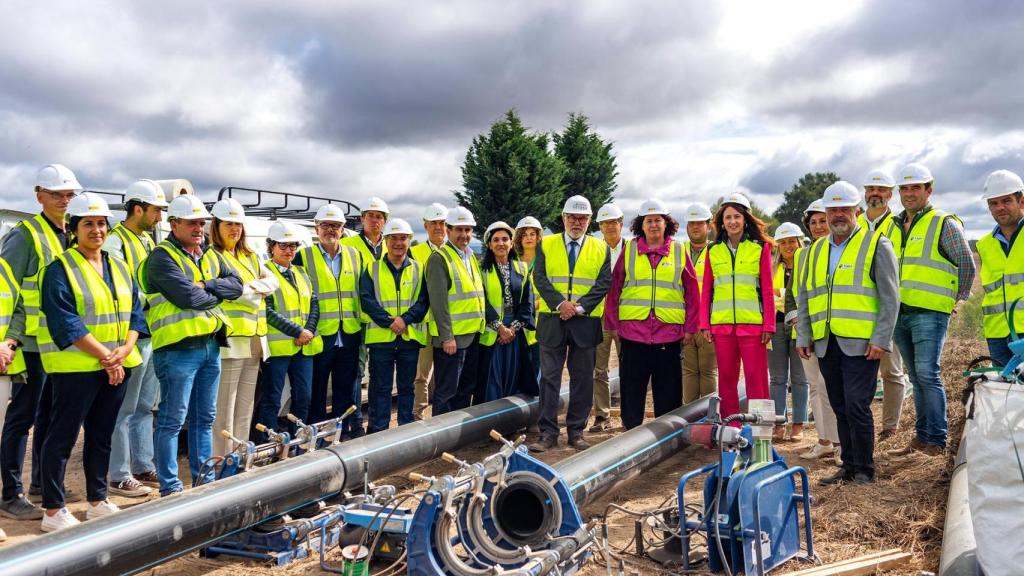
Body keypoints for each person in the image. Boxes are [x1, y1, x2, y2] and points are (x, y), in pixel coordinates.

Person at [37, 193, 146, 530]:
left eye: (101, 223)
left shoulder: (119, 267)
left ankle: (98, 499)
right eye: (88, 224)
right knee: (62, 437)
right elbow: (65, 322)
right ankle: (53, 511)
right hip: (77, 368)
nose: (97, 230)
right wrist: (108, 358)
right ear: (74, 229)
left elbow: (136, 314)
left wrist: (125, 350)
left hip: (117, 365)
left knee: (101, 435)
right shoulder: (58, 270)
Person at [796, 181, 900, 485]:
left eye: (845, 208)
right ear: (826, 212)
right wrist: (804, 335)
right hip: (826, 341)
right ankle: (849, 465)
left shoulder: (876, 244)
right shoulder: (813, 251)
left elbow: (891, 298)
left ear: (857, 210)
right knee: (840, 405)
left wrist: (881, 339)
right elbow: (805, 297)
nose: (838, 214)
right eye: (833, 209)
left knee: (857, 404)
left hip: (862, 342)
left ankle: (865, 469)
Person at [142, 194, 243, 496]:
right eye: (192, 223)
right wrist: (214, 293)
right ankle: (170, 486)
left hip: (210, 347)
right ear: (173, 224)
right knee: (173, 420)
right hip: (177, 350)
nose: (199, 228)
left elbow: (236, 286)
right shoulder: (161, 258)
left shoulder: (209, 253)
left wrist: (208, 286)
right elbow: (189, 298)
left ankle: (204, 479)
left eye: (202, 222)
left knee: (205, 418)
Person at [0, 164, 78, 521]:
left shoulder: (69, 235)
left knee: (51, 416)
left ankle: (42, 485)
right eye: (56, 193)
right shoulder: (25, 235)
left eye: (68, 194)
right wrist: (8, 338)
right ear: (39, 196)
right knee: (22, 418)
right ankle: (10, 493)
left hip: (58, 343)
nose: (64, 199)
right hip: (29, 342)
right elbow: (6, 289)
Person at [884, 163, 976, 457]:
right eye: (905, 188)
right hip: (900, 313)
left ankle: (936, 440)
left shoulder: (943, 222)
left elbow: (966, 262)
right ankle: (921, 438)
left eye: (916, 188)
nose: (909, 193)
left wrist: (955, 300)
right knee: (915, 376)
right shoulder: (892, 225)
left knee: (927, 373)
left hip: (929, 312)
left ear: (928, 190)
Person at [604, 199, 699, 430]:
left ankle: (666, 433)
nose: (654, 225)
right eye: (649, 221)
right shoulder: (629, 251)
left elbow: (692, 292)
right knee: (632, 387)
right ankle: (632, 431)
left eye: (658, 220)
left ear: (667, 224)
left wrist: (690, 328)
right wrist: (613, 325)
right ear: (641, 225)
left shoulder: (679, 251)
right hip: (633, 333)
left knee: (668, 389)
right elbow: (614, 289)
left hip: (669, 334)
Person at [530, 195, 612, 451]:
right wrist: (560, 304)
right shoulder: (547, 244)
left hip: (584, 322)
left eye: (583, 218)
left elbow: (603, 283)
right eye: (572, 217)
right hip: (553, 321)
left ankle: (576, 432)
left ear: (590, 221)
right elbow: (540, 278)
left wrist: (578, 307)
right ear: (564, 218)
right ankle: (548, 433)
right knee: (549, 379)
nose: (577, 222)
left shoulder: (601, 248)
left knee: (583, 379)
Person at [102, 179, 166, 498]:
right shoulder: (115, 244)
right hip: (131, 336)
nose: (160, 218)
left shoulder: (146, 243)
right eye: (156, 211)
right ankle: (119, 474)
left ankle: (142, 465)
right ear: (137, 208)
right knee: (124, 409)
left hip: (149, 335)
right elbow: (118, 293)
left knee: (144, 406)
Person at [209, 198, 277, 456]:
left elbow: (272, 282)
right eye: (228, 224)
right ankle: (220, 459)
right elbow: (223, 290)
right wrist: (252, 292)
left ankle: (237, 456)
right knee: (224, 407)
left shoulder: (249, 256)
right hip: (230, 341)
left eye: (238, 224)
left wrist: (250, 289)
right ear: (216, 225)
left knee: (245, 405)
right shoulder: (213, 255)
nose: (234, 229)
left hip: (255, 340)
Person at [698, 192, 774, 422]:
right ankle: (733, 429)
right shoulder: (713, 250)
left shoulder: (760, 248)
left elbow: (767, 290)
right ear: (721, 221)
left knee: (756, 379)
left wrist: (768, 324)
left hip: (753, 327)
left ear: (745, 219)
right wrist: (705, 324)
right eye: (728, 217)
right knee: (727, 381)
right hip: (722, 328)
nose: (732, 221)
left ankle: (761, 431)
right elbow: (707, 291)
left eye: (737, 217)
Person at [297, 204, 364, 438]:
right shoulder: (303, 256)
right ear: (316, 228)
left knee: (345, 390)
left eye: (335, 225)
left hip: (349, 333)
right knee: (316, 391)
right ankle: (318, 435)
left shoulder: (355, 256)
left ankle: (341, 433)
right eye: (325, 225)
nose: (330, 230)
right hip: (319, 334)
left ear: (343, 229)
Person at [361, 218, 429, 432]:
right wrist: (391, 322)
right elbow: (367, 300)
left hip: (409, 339)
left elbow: (423, 301)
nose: (398, 243)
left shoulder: (419, 269)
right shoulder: (371, 269)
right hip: (381, 339)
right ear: (386, 241)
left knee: (407, 388)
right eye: (393, 238)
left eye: (403, 238)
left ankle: (405, 430)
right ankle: (377, 430)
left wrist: (405, 320)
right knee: (380, 388)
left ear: (409, 241)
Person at [858, 169, 909, 441]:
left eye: (881, 191)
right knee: (859, 371)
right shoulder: (855, 224)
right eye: (870, 189)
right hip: (859, 308)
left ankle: (890, 427)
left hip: (889, 307)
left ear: (891, 194)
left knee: (891, 369)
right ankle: (860, 424)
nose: (875, 194)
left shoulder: (900, 224)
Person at [258, 222, 321, 438]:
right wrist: (298, 332)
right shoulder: (264, 272)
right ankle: (269, 442)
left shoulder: (302, 272)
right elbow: (266, 310)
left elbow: (314, 304)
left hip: (304, 347)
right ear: (272, 247)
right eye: (283, 246)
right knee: (272, 399)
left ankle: (296, 440)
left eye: (293, 246)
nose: (289, 251)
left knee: (304, 397)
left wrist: (309, 330)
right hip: (278, 348)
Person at [425, 207, 485, 415]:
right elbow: (438, 303)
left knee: (465, 389)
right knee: (446, 392)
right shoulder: (439, 259)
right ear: (448, 231)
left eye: (468, 230)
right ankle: (441, 439)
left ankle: (458, 438)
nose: (464, 235)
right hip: (452, 341)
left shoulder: (470, 257)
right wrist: (446, 337)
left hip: (472, 335)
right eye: (458, 230)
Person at [795, 199, 842, 463]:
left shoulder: (839, 252)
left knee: (829, 388)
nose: (817, 226)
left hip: (829, 331)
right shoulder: (806, 254)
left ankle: (838, 443)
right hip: (806, 329)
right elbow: (799, 293)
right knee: (815, 387)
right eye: (812, 223)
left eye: (821, 221)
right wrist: (799, 324)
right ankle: (823, 441)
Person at [477, 222, 537, 402]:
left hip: (514, 331)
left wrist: (513, 329)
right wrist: (500, 328)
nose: (501, 243)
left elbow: (528, 303)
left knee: (513, 374)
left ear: (511, 243)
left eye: (505, 239)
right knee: (492, 378)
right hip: (492, 332)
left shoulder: (522, 268)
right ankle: (491, 422)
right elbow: (482, 302)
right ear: (489, 244)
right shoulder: (481, 269)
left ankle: (510, 424)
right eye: (496, 240)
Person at [341, 196, 389, 396]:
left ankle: (377, 420)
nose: (374, 220)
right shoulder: (347, 244)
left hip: (383, 319)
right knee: (356, 372)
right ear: (362, 219)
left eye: (379, 216)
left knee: (379, 373)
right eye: (370, 216)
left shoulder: (391, 244)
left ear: (384, 221)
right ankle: (356, 422)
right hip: (358, 318)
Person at [976, 170, 1024, 367]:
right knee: (1006, 394)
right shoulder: (984, 245)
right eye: (994, 203)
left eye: (1006, 201)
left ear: (1021, 201)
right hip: (996, 334)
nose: (1000, 208)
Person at [769, 222, 810, 442]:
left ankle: (798, 424)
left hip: (799, 325)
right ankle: (778, 422)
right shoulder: (771, 267)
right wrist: (781, 295)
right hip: (775, 326)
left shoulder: (807, 263)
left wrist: (780, 293)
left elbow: (798, 295)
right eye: (783, 242)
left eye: (791, 241)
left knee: (799, 378)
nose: (787, 246)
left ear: (798, 241)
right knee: (777, 378)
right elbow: (768, 295)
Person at [409, 203, 448, 419]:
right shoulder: (414, 252)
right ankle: (419, 417)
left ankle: (442, 417)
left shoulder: (453, 252)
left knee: (444, 375)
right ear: (425, 225)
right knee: (421, 376)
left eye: (442, 223)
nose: (439, 227)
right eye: (434, 223)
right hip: (423, 324)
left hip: (447, 326)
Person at [590, 203, 624, 432]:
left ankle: (630, 414)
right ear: (600, 227)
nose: (610, 227)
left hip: (625, 318)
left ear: (621, 224)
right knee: (598, 369)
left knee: (629, 367)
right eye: (605, 223)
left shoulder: (633, 249)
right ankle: (602, 415)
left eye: (613, 222)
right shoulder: (595, 251)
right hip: (600, 317)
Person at [681, 202, 718, 404]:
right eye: (691, 223)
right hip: (685, 322)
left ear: (709, 226)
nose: (695, 227)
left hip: (708, 322)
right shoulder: (678, 251)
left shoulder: (716, 252)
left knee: (708, 371)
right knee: (688, 372)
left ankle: (708, 415)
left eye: (700, 223)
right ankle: (690, 417)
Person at [514, 216, 544, 387]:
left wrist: (534, 305)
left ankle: (536, 407)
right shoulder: (513, 260)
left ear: (539, 236)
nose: (529, 238)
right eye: (524, 234)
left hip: (539, 324)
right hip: (517, 323)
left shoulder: (545, 260)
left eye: (533, 234)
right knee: (518, 367)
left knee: (537, 367)